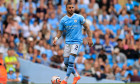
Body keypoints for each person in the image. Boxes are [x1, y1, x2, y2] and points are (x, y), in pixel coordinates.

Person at [53, 2, 93, 84]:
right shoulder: (63, 20)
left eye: (72, 7)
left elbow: (87, 28)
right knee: (66, 63)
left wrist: (90, 38)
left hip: (76, 42)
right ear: (66, 9)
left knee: (71, 61)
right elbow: (60, 32)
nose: (71, 9)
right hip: (67, 43)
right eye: (70, 7)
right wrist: (56, 38)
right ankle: (76, 75)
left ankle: (65, 80)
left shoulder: (79, 17)